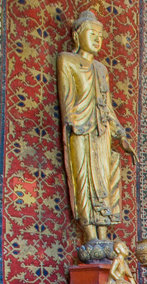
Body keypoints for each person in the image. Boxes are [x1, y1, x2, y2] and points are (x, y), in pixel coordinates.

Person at [55, 10, 127, 249]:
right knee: (83, 178)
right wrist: (73, 122)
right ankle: (90, 234)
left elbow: (107, 105)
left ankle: (104, 234)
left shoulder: (101, 69)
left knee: (105, 180)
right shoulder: (67, 60)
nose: (98, 39)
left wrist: (120, 133)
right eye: (92, 33)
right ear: (77, 35)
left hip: (102, 131)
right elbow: (66, 100)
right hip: (81, 130)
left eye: (100, 35)